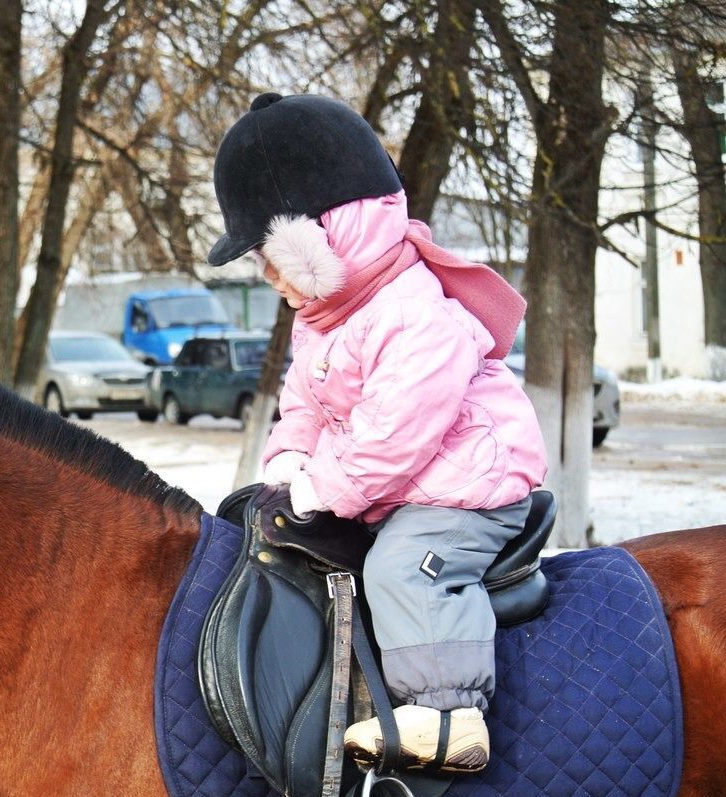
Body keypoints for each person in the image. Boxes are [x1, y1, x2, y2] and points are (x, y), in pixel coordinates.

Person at [208, 93, 548, 774]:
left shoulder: (412, 313)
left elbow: (391, 436)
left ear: (327, 234)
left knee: (402, 567)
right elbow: (301, 404)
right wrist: (287, 470)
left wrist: (323, 485)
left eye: (273, 255)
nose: (267, 275)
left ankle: (447, 714)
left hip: (469, 486)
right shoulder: (324, 319)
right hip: (400, 486)